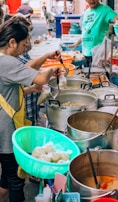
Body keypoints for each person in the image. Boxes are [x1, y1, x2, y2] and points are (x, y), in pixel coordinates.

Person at [0, 18, 61, 202]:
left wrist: (29, 90)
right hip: (5, 132)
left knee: (6, 177)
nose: (24, 49)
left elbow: (7, 92)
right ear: (12, 42)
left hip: (3, 125)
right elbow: (41, 78)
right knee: (17, 181)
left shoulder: (3, 60)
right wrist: (53, 69)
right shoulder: (8, 62)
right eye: (23, 45)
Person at [69, 0, 118, 67]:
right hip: (85, 53)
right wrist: (77, 43)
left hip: (98, 54)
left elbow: (116, 19)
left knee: (97, 75)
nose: (92, 1)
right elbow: (86, 31)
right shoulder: (85, 13)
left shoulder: (105, 10)